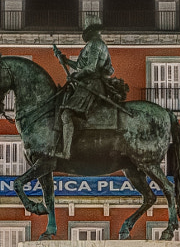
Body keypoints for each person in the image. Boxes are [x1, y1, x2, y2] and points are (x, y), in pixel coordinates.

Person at [49, 20, 130, 161]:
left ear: (89, 31)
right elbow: (82, 65)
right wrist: (66, 61)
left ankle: (66, 152)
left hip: (91, 85)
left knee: (66, 114)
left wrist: (75, 76)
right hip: (91, 83)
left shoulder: (94, 45)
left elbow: (91, 68)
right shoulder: (100, 45)